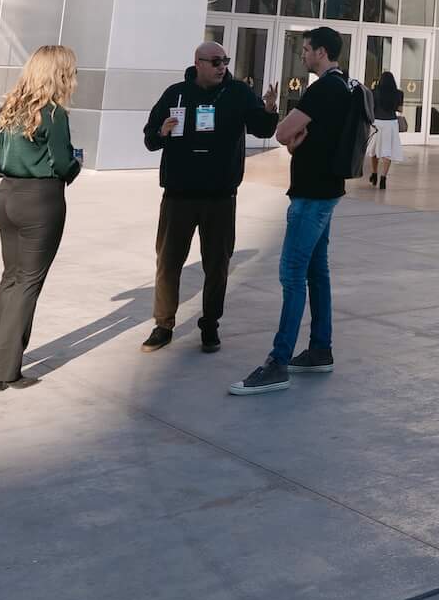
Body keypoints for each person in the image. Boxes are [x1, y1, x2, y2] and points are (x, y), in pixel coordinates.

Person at [233, 26, 363, 396]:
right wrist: (295, 145)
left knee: (292, 274)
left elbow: (281, 132)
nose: (302, 55)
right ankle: (320, 349)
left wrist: (290, 141)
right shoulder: (346, 86)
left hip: (310, 195)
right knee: (316, 272)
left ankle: (278, 362)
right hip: (328, 189)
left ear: (321, 52)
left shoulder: (322, 88)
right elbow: (310, 138)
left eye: (306, 49)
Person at [139, 40, 276, 354]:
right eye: (215, 61)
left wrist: (270, 110)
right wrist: (161, 132)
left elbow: (262, 129)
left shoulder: (238, 93)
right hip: (179, 194)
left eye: (225, 60)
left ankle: (210, 324)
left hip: (220, 195)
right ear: (198, 63)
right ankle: (163, 325)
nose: (221, 67)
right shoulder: (175, 94)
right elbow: (150, 138)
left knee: (217, 265)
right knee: (168, 262)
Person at [0, 45, 83, 390]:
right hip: (40, 200)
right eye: (71, 70)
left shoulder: (11, 107)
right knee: (28, 282)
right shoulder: (53, 114)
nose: (74, 76)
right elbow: (63, 163)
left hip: (6, 196)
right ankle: (3, 369)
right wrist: (76, 165)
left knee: (11, 277)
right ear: (60, 73)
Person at [365, 68, 405, 190]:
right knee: (387, 151)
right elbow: (400, 110)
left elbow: (371, 108)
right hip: (391, 123)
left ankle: (374, 173)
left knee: (374, 149)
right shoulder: (398, 93)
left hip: (376, 123)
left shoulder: (374, 92)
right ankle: (383, 177)